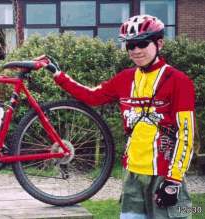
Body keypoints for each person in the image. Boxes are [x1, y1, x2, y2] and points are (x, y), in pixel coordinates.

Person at [43, 15, 195, 219]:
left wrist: (174, 180)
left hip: (165, 175)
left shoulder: (179, 81)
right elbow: (92, 96)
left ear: (159, 43)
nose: (136, 50)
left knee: (187, 211)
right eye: (130, 45)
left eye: (142, 43)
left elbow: (186, 134)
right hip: (132, 175)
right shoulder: (125, 78)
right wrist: (58, 75)